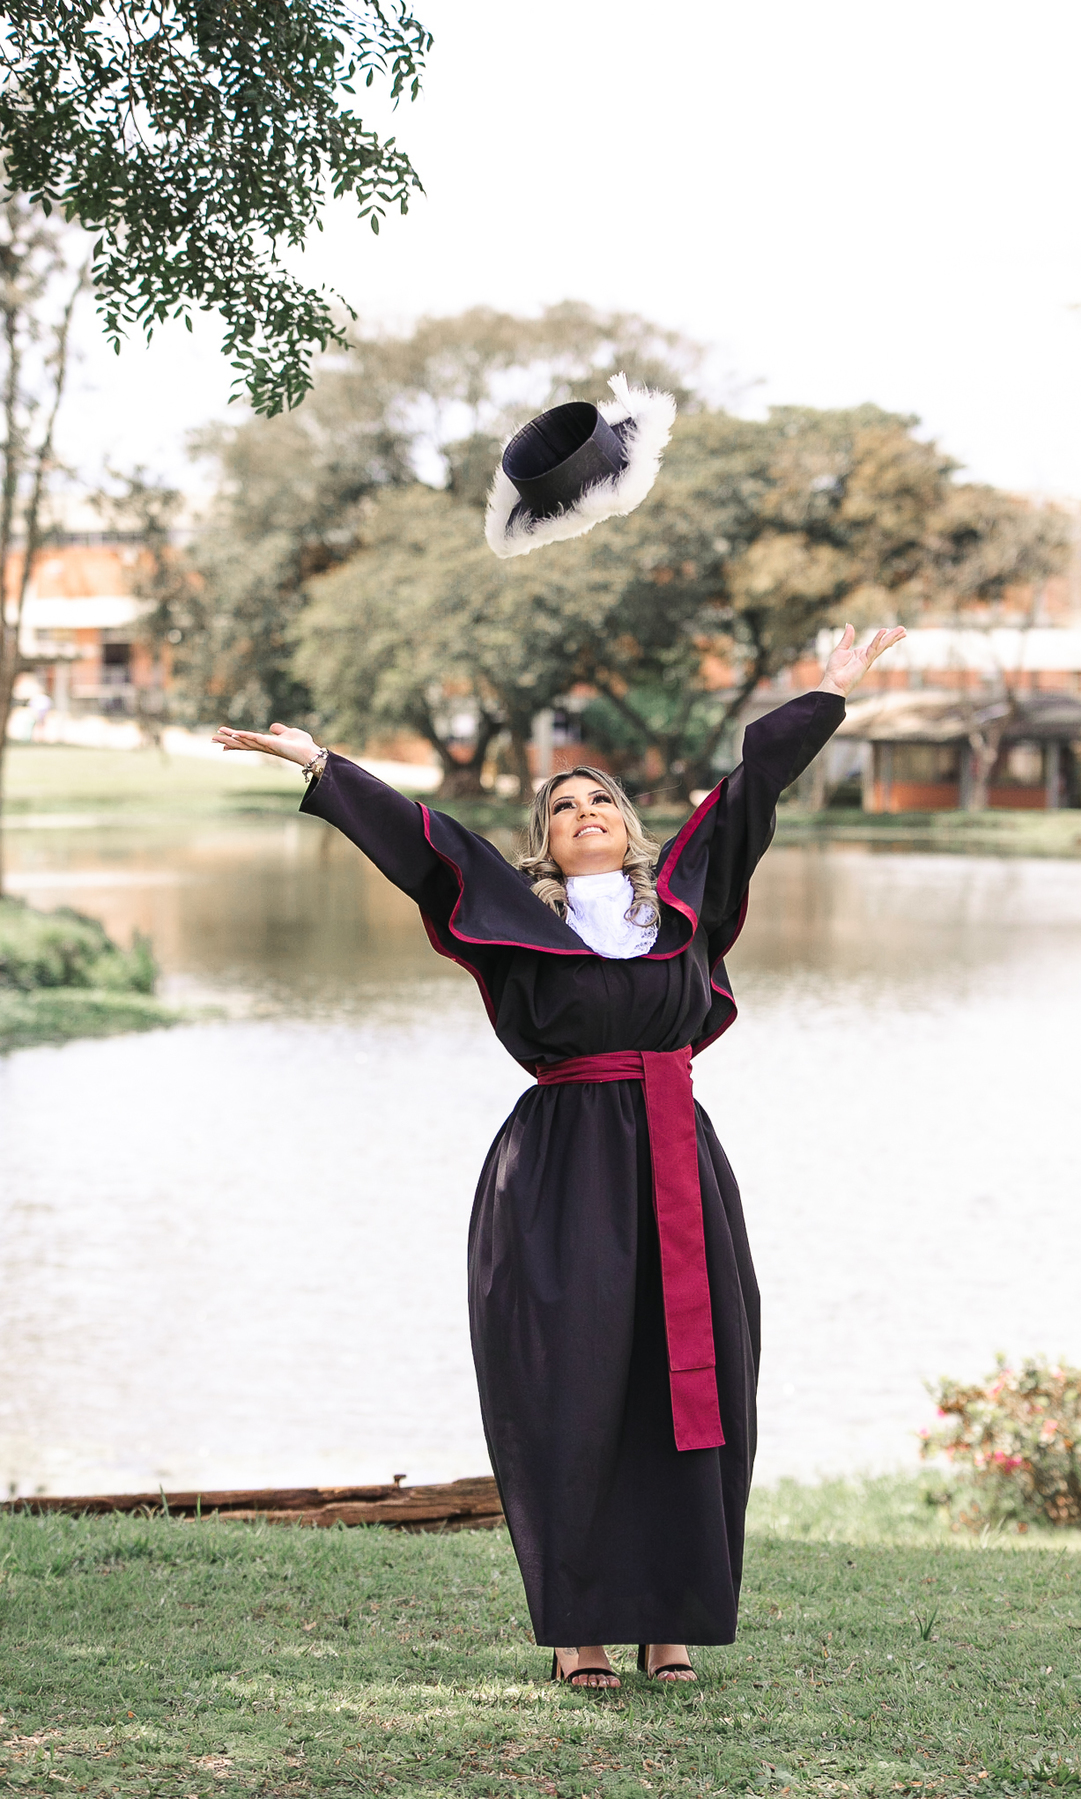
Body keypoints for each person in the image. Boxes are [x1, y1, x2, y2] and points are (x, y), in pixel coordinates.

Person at [214, 621, 905, 1688]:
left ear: (630, 826)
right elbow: (420, 843)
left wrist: (826, 693)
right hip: (559, 1174)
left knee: (698, 1377)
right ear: (547, 839)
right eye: (564, 805)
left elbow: (752, 784)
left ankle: (671, 1619)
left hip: (680, 1164)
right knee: (571, 1383)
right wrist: (320, 764)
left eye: (602, 801)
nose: (586, 813)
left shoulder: (682, 905)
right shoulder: (513, 915)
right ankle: (580, 1633)